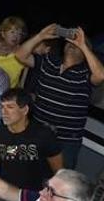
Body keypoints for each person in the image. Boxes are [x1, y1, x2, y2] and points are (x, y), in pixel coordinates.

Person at [15, 24, 104, 169]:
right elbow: (20, 55)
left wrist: (83, 45)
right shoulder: (49, 61)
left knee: (59, 182)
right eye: (70, 41)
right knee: (20, 166)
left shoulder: (85, 74)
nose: (72, 43)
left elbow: (101, 76)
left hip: (66, 142)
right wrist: (40, 36)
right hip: (36, 133)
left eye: (78, 43)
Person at [0, 88, 63, 201]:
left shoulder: (43, 135)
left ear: (25, 109)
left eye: (10, 107)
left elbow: (59, 172)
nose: (4, 111)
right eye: (2, 107)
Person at [0, 16, 28, 89]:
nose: (15, 36)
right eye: (12, 32)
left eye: (19, 33)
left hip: (8, 94)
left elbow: (23, 82)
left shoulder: (24, 53)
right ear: (3, 34)